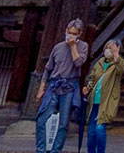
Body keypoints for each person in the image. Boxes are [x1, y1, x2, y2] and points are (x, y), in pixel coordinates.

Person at [36, 19, 89, 153]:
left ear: (79, 34)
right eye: (69, 32)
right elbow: (48, 68)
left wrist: (72, 46)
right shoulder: (57, 47)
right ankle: (40, 150)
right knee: (42, 119)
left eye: (74, 33)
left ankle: (56, 150)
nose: (71, 35)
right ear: (65, 31)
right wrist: (42, 87)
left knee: (64, 123)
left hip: (70, 86)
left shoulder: (83, 46)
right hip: (54, 84)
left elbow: (78, 63)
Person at [82, 39, 124, 153]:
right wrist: (88, 86)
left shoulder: (120, 62)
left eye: (111, 47)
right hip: (94, 101)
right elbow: (92, 76)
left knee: (100, 128)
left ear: (118, 48)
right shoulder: (100, 62)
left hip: (106, 102)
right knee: (91, 131)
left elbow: (120, 69)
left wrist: (116, 54)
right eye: (107, 47)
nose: (108, 49)